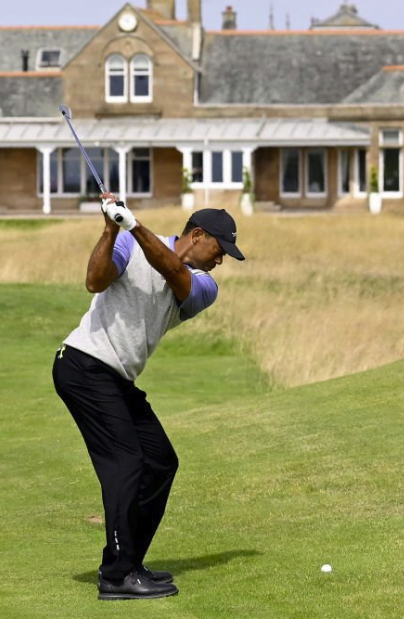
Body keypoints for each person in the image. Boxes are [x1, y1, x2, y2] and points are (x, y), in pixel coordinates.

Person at [52, 194, 244, 600]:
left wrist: (132, 225)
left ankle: (130, 563)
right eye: (219, 249)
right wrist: (110, 230)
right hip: (83, 365)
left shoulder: (204, 287)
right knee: (126, 462)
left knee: (160, 462)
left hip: (115, 377)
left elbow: (172, 269)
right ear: (197, 234)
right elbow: (95, 281)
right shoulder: (125, 240)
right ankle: (117, 576)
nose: (221, 260)